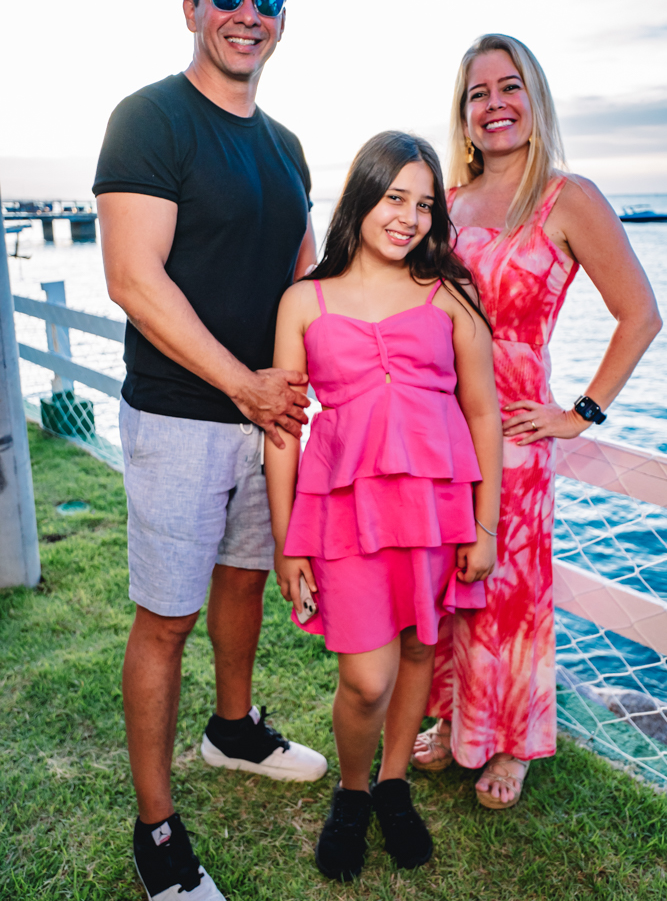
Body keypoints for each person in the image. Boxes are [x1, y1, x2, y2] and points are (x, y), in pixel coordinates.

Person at [94, 0, 327, 901]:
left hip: (265, 419)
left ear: (282, 18)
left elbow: (308, 276)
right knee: (166, 618)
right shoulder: (150, 119)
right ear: (192, 7)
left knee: (243, 583)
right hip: (182, 416)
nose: (245, 14)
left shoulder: (286, 146)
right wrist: (245, 382)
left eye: (264, 0)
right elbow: (132, 277)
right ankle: (156, 830)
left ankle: (232, 730)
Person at [412, 34, 662, 809]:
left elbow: (640, 314)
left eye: (508, 87)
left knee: (508, 590)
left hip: (517, 435)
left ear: (534, 98)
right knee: (448, 580)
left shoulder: (567, 198)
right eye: (477, 93)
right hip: (438, 428)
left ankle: (511, 741)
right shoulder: (445, 203)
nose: (494, 105)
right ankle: (452, 717)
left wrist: (580, 413)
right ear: (462, 113)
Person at [265, 131, 503, 881]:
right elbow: (282, 430)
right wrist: (287, 541)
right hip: (347, 515)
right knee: (366, 679)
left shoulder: (450, 294)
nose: (409, 218)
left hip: (436, 510)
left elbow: (484, 413)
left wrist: (485, 524)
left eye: (425, 205)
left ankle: (393, 786)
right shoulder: (303, 300)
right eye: (395, 198)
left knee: (418, 651)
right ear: (362, 196)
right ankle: (352, 791)